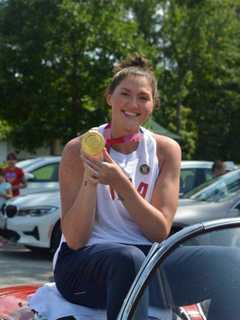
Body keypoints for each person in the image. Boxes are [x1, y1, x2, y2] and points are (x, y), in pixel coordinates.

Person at [53, 54, 240, 320]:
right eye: (125, 94)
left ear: (153, 104)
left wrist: (122, 184)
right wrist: (90, 180)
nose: (133, 104)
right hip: (82, 268)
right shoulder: (77, 149)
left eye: (143, 97)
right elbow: (76, 239)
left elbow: (158, 231)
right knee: (128, 259)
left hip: (146, 261)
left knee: (233, 262)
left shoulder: (165, 151)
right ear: (109, 97)